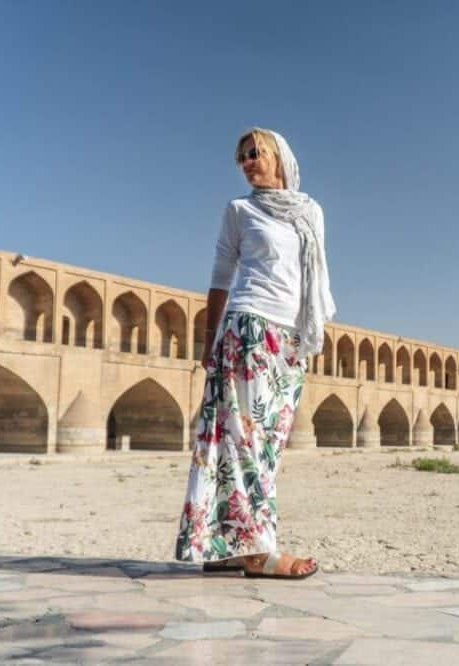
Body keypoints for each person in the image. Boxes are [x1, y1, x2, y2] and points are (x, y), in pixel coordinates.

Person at [175, 128, 335, 579]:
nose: (246, 162)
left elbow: (311, 274)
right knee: (246, 441)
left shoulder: (310, 212)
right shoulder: (239, 210)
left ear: (279, 157)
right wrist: (209, 342)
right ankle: (259, 552)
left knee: (267, 444)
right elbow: (220, 276)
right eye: (240, 157)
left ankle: (225, 545)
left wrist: (306, 335)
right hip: (248, 327)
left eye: (254, 153)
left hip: (291, 336)